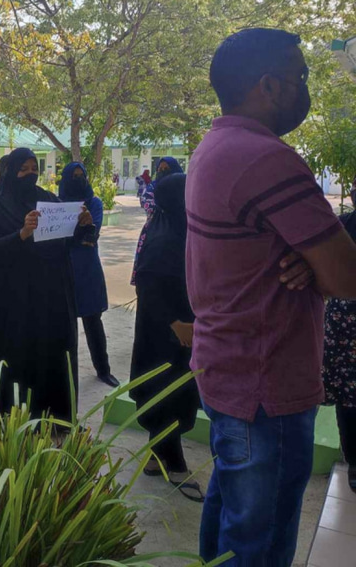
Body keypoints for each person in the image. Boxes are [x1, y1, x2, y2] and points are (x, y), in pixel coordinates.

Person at [188, 29, 356, 565]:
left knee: (230, 520)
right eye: (300, 77)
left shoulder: (214, 146)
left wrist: (311, 261)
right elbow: (347, 277)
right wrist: (319, 262)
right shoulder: (267, 158)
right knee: (258, 544)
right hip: (267, 384)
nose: (305, 87)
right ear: (268, 85)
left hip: (228, 369)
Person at [0, 148, 93, 422]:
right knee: (21, 353)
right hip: (16, 297)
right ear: (11, 171)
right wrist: (21, 233)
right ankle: (16, 417)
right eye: (23, 169)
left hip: (51, 292)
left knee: (53, 350)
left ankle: (56, 416)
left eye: (34, 168)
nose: (30, 174)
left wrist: (81, 225)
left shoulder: (48, 200)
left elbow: (67, 239)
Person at [129, 172, 203, 502]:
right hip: (165, 334)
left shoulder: (177, 227)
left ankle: (155, 458)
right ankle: (176, 466)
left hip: (180, 328)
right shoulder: (163, 237)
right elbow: (147, 286)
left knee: (176, 393)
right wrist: (175, 323)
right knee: (169, 394)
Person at [58, 162, 118, 388]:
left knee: (93, 321)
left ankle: (103, 370)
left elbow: (91, 236)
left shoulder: (94, 203)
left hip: (88, 269)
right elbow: (57, 238)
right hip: (63, 269)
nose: (78, 179)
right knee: (65, 326)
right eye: (73, 176)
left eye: (81, 175)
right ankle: (65, 374)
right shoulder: (57, 205)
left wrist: (76, 235)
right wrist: (79, 233)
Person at [322, 177, 356, 492]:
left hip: (342, 323)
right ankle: (354, 461)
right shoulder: (341, 225)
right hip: (344, 327)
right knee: (348, 398)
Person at [131, 157, 182, 285]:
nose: (163, 172)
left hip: (179, 230)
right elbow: (148, 206)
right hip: (154, 231)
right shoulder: (151, 188)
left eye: (167, 169)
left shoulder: (184, 187)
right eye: (160, 169)